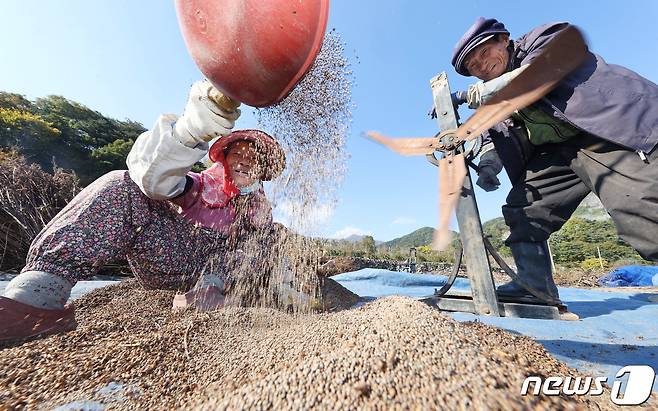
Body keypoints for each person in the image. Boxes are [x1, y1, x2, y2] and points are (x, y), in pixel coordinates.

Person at [0, 80, 286, 342]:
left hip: (220, 278)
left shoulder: (260, 209)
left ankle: (205, 293)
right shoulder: (197, 186)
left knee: (272, 236)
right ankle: (36, 296)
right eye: (239, 153)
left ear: (263, 169)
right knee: (122, 183)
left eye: (255, 158)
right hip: (173, 256)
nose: (246, 161)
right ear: (224, 159)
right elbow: (154, 181)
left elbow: (260, 255)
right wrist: (189, 131)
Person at [451, 17, 658, 302]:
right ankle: (534, 288)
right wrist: (488, 168)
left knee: (640, 207)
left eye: (485, 52)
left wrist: (471, 95)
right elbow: (491, 141)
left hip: (613, 128)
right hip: (561, 153)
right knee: (524, 209)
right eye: (474, 66)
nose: (482, 65)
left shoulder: (545, 38)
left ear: (504, 39)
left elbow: (539, 74)